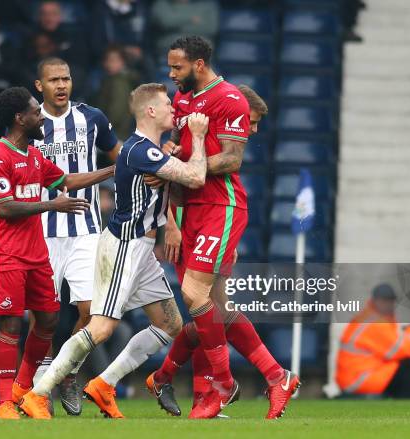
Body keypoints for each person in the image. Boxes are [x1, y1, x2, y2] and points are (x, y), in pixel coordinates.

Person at [18, 83, 209, 419]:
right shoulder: (140, 151)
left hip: (144, 249)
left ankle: (104, 384)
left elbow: (171, 177)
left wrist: (171, 161)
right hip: (124, 245)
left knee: (170, 324)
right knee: (101, 327)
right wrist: (200, 136)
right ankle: (38, 393)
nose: (173, 109)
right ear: (150, 111)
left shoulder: (151, 152)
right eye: (167, 104)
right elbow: (196, 177)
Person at [146, 36, 300, 420]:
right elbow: (180, 160)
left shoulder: (230, 99)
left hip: (221, 205)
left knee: (195, 296)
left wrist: (182, 164)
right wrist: (173, 219)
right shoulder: (181, 101)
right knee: (210, 311)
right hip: (188, 213)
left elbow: (231, 159)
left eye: (177, 67)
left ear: (198, 65)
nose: (171, 73)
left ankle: (223, 383)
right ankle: (265, 379)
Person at [0, 86, 114, 419]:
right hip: (7, 253)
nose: (41, 117)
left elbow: (66, 180)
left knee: (49, 320)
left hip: (36, 254)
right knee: (11, 325)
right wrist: (52, 205)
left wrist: (113, 170)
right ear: (19, 118)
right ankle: (4, 404)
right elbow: (6, 208)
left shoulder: (36, 157)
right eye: (35, 113)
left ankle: (23, 390)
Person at [27, 57, 121, 416]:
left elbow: (121, 157)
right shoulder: (29, 123)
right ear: (40, 86)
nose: (61, 85)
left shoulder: (92, 118)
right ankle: (40, 390)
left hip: (86, 229)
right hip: (42, 233)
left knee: (89, 311)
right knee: (42, 316)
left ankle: (67, 373)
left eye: (66, 78)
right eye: (53, 80)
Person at [336, 284, 410, 399]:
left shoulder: (366, 318)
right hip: (360, 379)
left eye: (390, 300)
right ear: (374, 301)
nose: (387, 304)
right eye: (384, 300)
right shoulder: (376, 323)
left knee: (400, 366)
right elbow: (403, 350)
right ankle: (405, 409)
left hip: (354, 377)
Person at [93, 45, 139, 140]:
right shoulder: (108, 80)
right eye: (107, 60)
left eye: (113, 60)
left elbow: (117, 110)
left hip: (117, 135)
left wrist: (103, 128)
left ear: (123, 62)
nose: (109, 64)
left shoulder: (120, 82)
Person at [149, 0, 218, 58]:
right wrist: (190, 19)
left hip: (201, 55)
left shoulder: (208, 4)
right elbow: (166, 22)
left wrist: (176, 24)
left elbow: (210, 28)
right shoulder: (161, 4)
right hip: (169, 54)